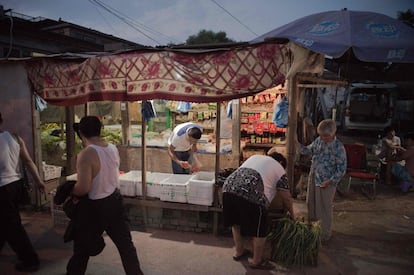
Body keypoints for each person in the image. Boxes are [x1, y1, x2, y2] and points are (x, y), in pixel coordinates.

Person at [67, 116, 143, 275]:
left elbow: (83, 188)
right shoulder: (112, 148)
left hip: (95, 208)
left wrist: (69, 190)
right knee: (126, 246)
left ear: (80, 133)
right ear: (100, 130)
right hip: (115, 202)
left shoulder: (86, 154)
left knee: (82, 248)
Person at [222, 151, 295, 270]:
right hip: (252, 194)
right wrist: (292, 215)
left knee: (236, 223)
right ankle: (257, 261)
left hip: (228, 188)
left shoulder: (254, 157)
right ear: (281, 162)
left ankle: (239, 251)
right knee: (260, 229)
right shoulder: (279, 169)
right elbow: (286, 198)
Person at [0, 111, 46, 272]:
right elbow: (28, 161)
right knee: (7, 223)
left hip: (2, 189)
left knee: (12, 227)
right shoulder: (14, 138)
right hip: (15, 186)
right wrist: (39, 181)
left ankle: (30, 260)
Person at [296, 119, 347, 243]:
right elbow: (307, 150)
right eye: (321, 135)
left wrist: (330, 181)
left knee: (324, 207)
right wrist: (296, 144)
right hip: (314, 177)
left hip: (327, 182)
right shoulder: (318, 141)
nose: (323, 138)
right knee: (311, 203)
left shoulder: (338, 148)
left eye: (326, 136)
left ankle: (324, 234)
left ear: (333, 133)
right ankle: (313, 228)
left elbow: (342, 169)